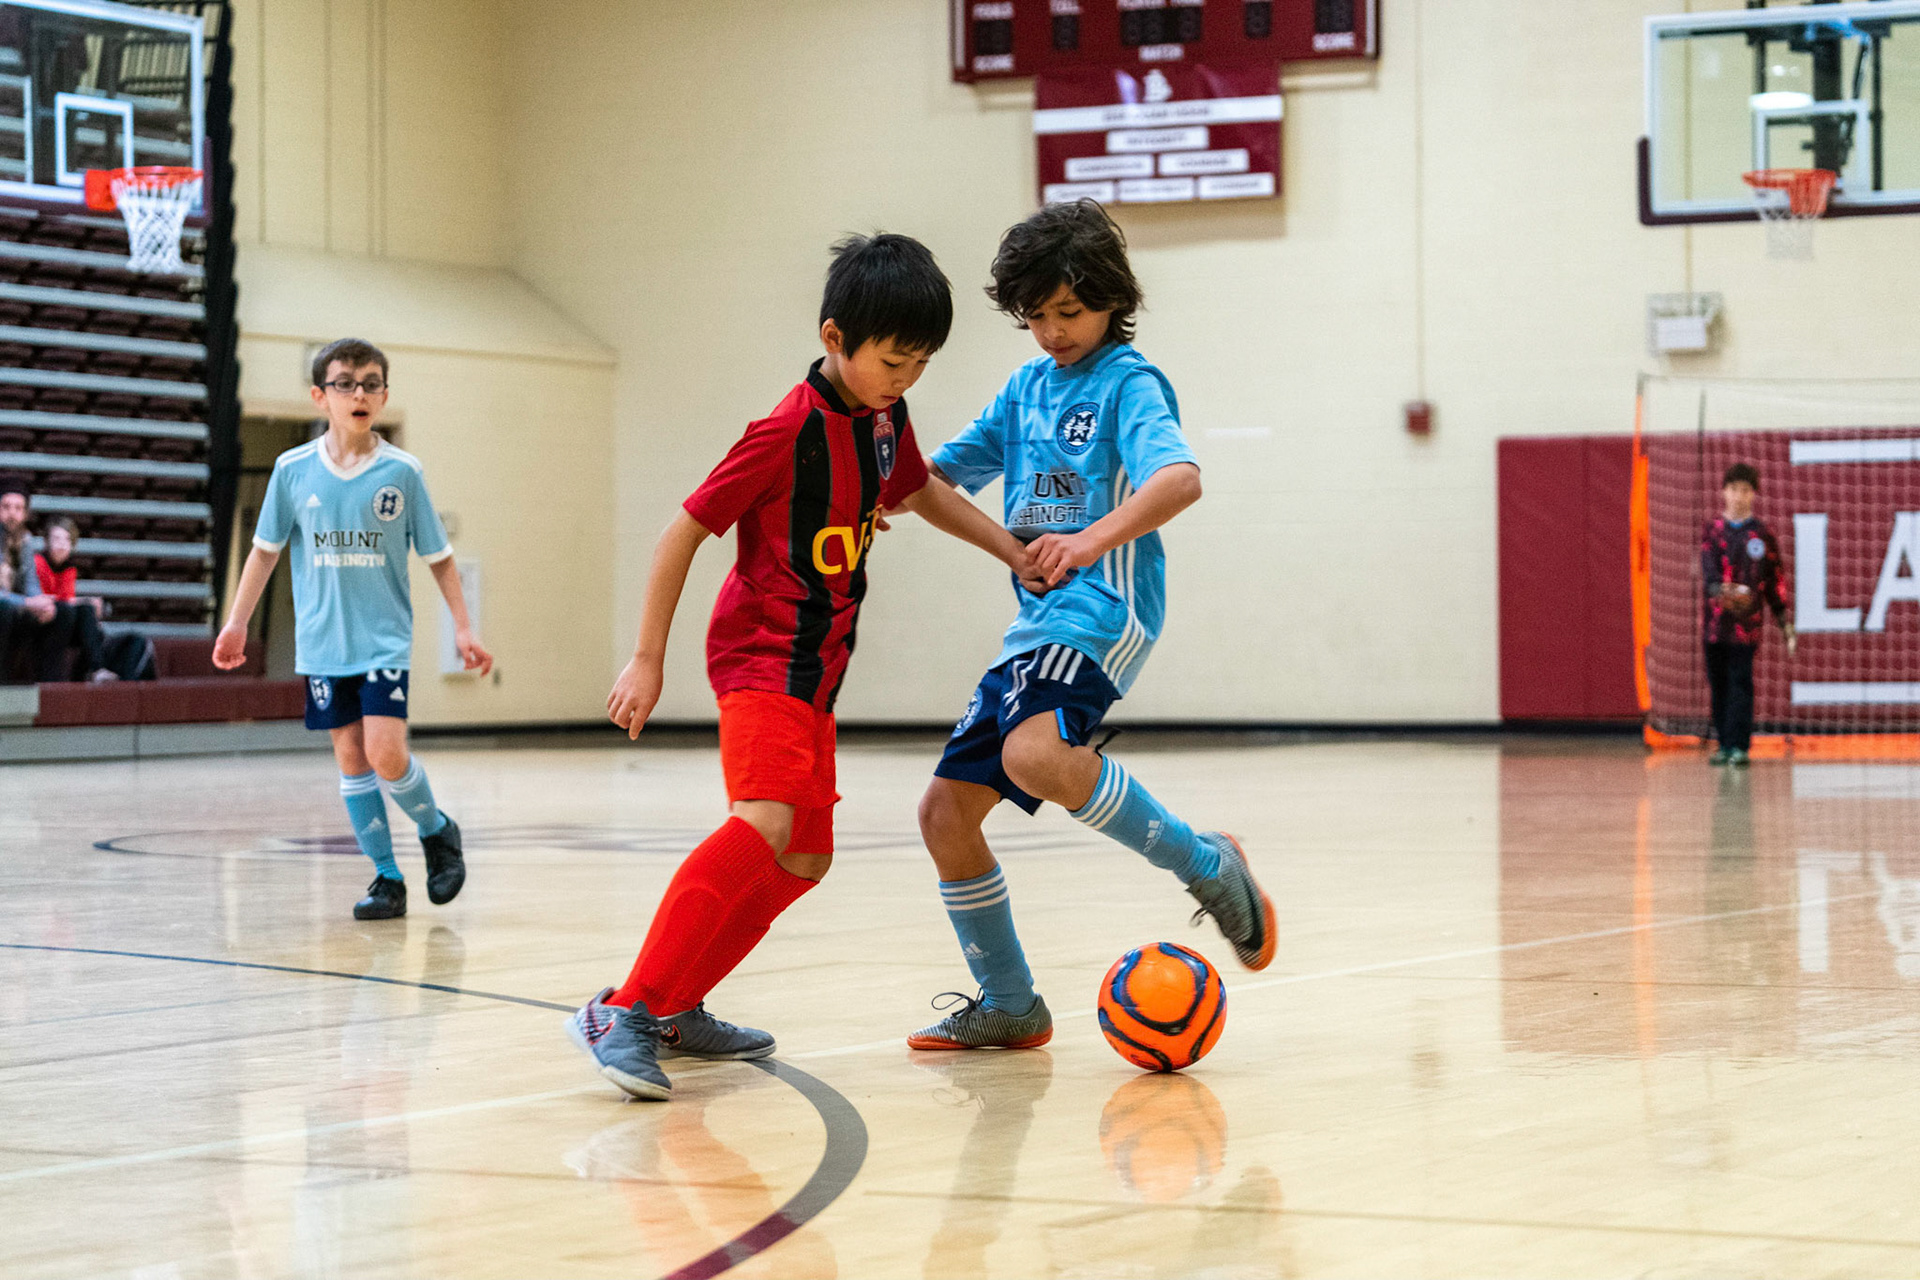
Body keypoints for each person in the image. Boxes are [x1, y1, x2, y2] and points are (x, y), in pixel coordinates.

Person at [565, 233, 1047, 1102]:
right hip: (761, 654)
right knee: (768, 822)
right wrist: (645, 658)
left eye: (921, 364)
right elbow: (684, 530)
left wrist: (1009, 551)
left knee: (806, 857)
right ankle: (626, 1009)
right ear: (835, 339)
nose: (907, 378)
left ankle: (675, 1007)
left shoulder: (882, 416)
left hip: (817, 668)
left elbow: (920, 490)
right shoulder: (785, 429)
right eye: (894, 360)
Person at [905, 200, 1276, 1052]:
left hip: (1105, 607)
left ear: (1109, 299)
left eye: (1067, 312)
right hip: (1037, 627)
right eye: (1034, 316)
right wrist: (877, 472)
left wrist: (1088, 540)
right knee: (943, 817)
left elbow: (1179, 481)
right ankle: (1010, 1003)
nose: (1050, 332)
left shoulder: (1128, 383)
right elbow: (932, 480)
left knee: (1031, 754)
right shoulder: (1025, 388)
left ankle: (1206, 864)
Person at [213, 338, 493, 919]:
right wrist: (236, 623)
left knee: (385, 752)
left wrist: (463, 630)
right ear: (321, 396)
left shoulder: (402, 472)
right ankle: (387, 880)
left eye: (370, 383)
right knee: (351, 759)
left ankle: (437, 830)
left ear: (384, 396)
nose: (359, 392)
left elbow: (439, 557)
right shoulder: (292, 472)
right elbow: (264, 553)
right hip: (322, 645)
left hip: (383, 638)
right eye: (345, 382)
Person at [1701, 461, 1793, 768]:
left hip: (1746, 627)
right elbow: (1709, 572)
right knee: (1719, 684)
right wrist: (1720, 592)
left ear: (1752, 494)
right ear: (1724, 492)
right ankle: (1724, 743)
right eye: (1733, 490)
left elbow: (1773, 580)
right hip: (1715, 625)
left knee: (1740, 682)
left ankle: (1740, 746)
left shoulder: (1761, 535)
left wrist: (1783, 620)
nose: (1739, 496)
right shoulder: (1713, 531)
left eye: (1745, 490)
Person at [33, 516, 117, 683]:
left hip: (61, 619)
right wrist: (83, 601)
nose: (62, 544)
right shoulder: (38, 562)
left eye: (67, 540)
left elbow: (66, 599)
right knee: (74, 610)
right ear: (46, 541)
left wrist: (87, 608)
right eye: (56, 539)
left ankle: (96, 670)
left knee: (91, 621)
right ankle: (52, 678)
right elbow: (44, 599)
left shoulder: (69, 568)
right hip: (38, 619)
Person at [0, 482, 59, 682]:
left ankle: (49, 684)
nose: (11, 514)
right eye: (6, 507)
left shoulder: (24, 540)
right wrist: (27, 603)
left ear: (25, 514)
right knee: (6, 611)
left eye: (18, 508)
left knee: (60, 613)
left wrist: (41, 602)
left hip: (14, 606)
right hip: (5, 608)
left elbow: (30, 583)